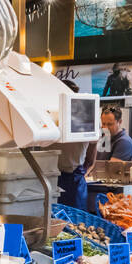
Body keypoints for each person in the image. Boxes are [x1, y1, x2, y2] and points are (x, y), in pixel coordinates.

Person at [56, 79, 94, 209]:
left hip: (73, 179)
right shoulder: (86, 117)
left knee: (72, 224)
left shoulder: (84, 118)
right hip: (60, 177)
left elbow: (91, 156)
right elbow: (91, 155)